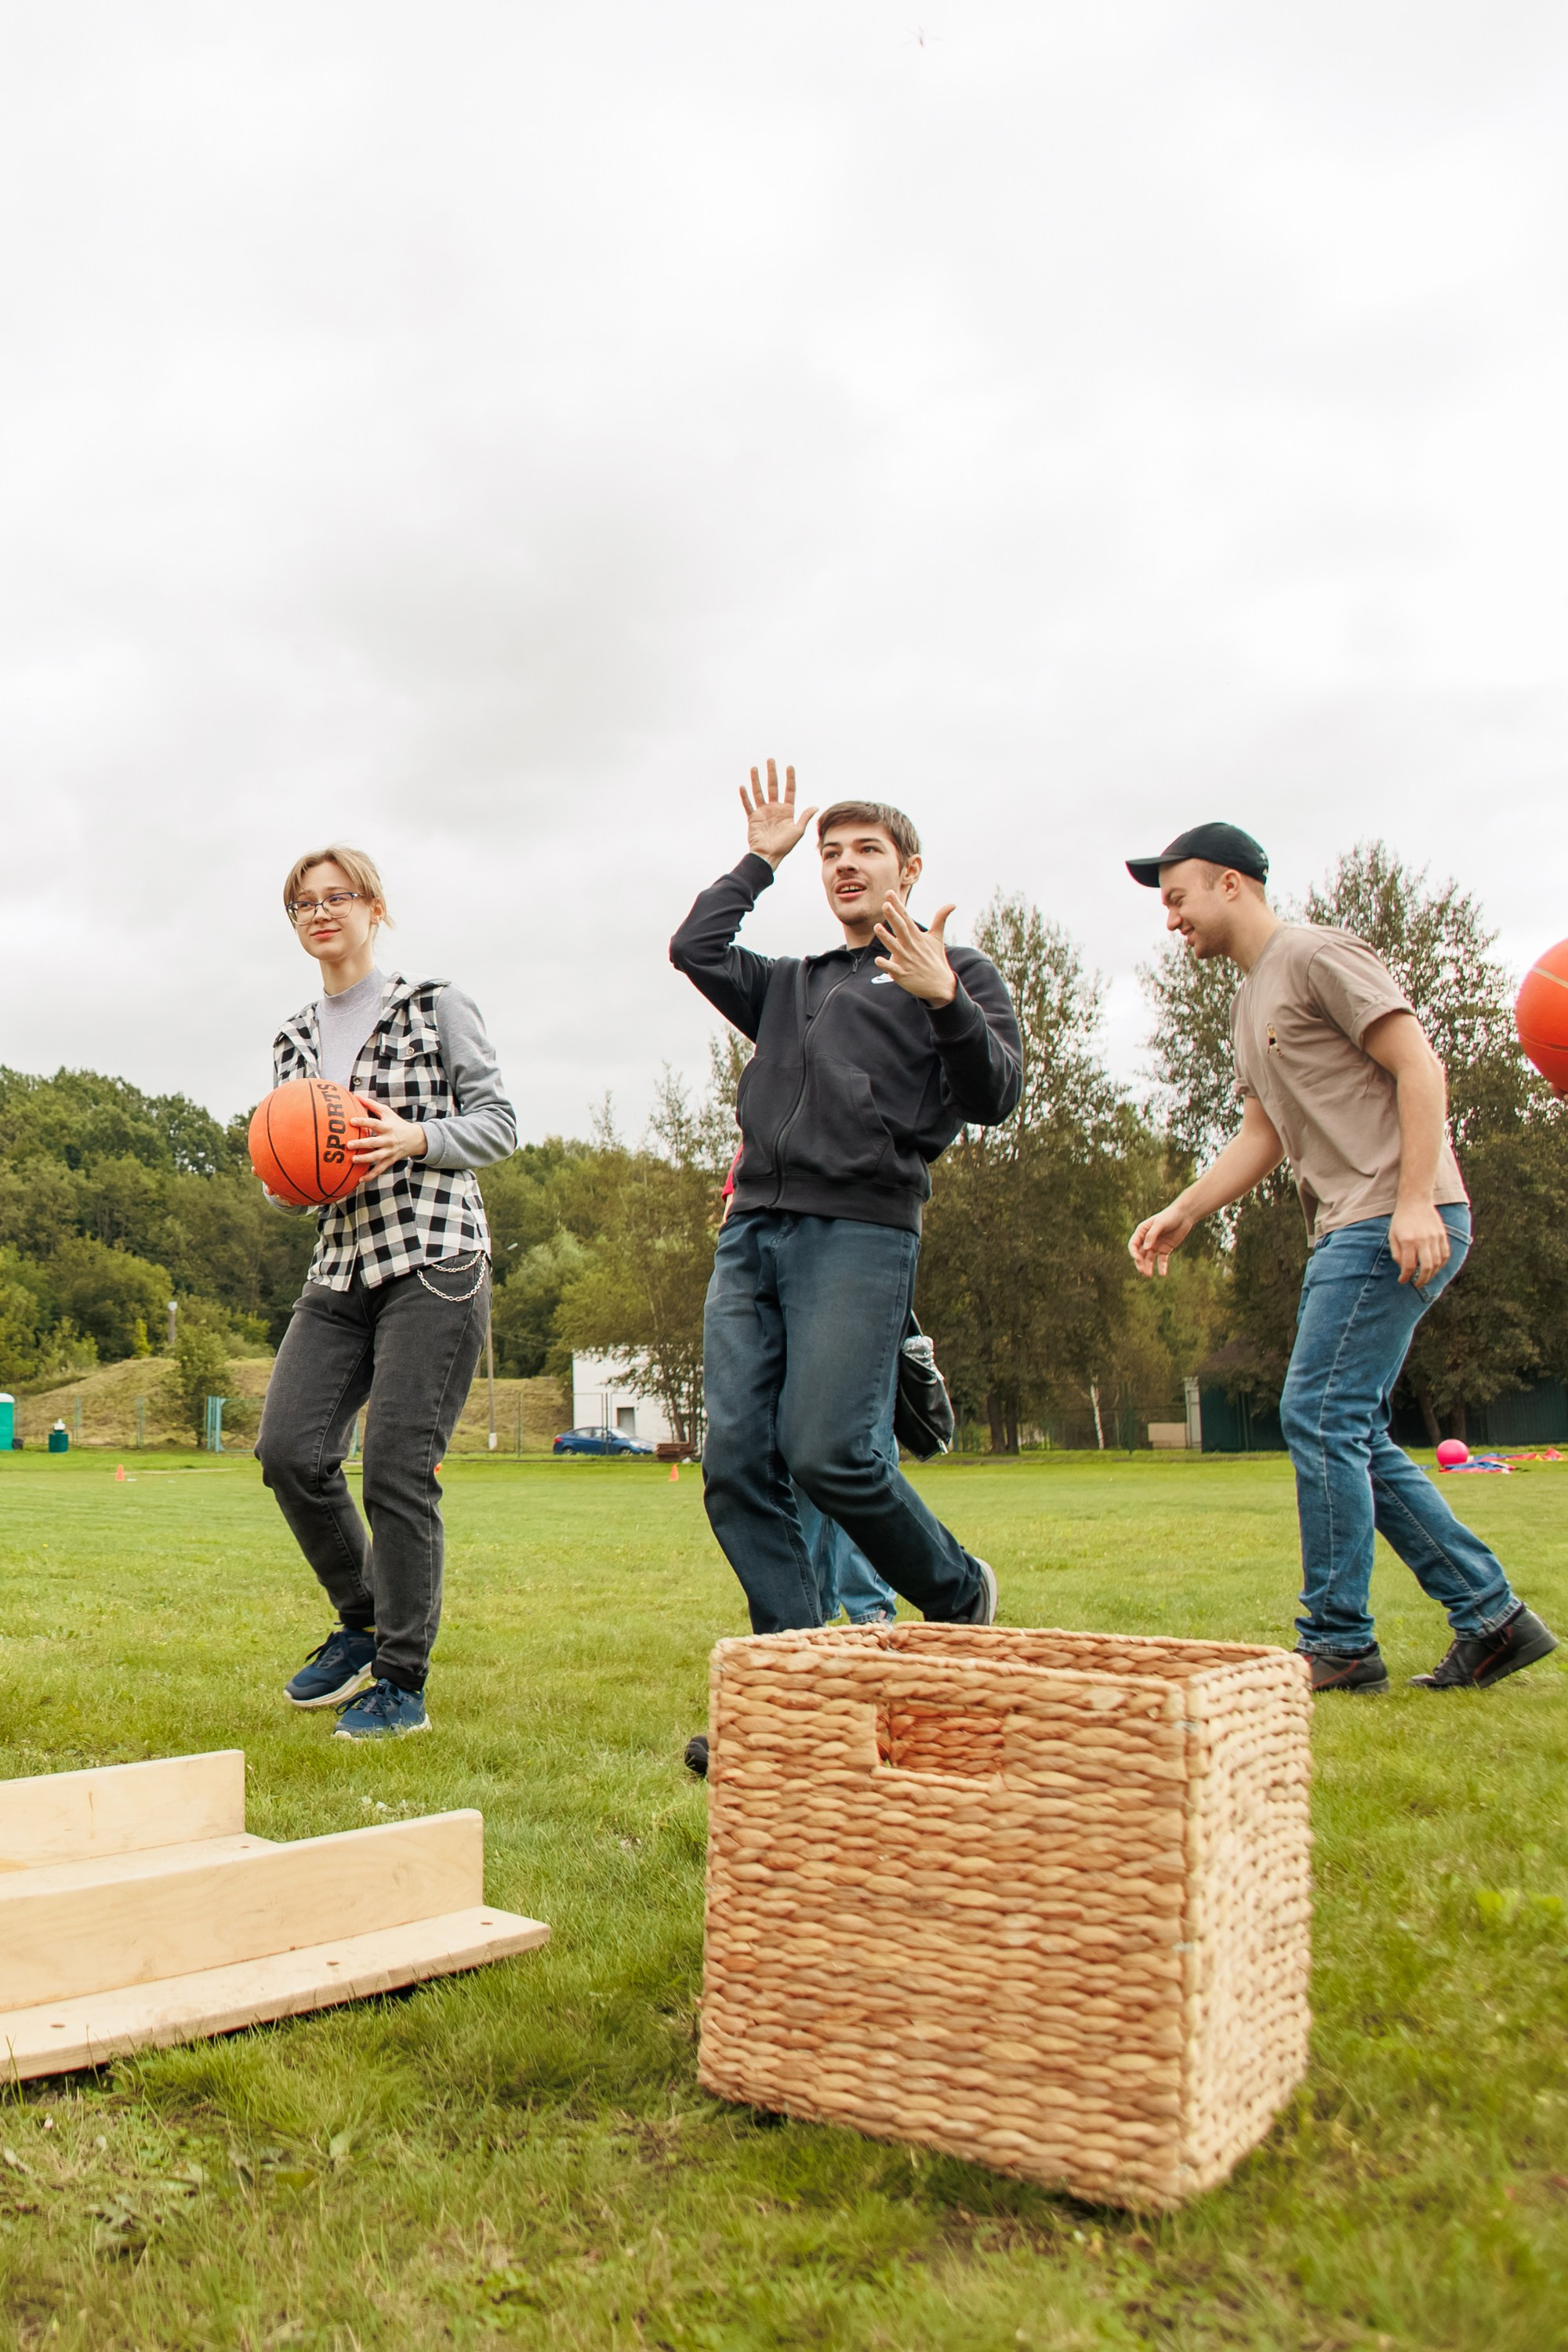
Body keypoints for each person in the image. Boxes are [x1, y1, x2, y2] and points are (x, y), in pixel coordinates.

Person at [1126, 820, 1556, 1694]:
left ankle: (1339, 1641)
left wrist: (1413, 1201)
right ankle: (1492, 1620)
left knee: (1319, 1417)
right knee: (1345, 1427)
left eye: (1177, 899)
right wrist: (1183, 1211)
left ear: (1231, 884)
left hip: (1390, 1215)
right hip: (1350, 1224)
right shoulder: (1247, 1002)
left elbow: (1419, 1067)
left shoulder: (1317, 955)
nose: (1171, 920)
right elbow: (1262, 1136)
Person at [670, 760, 1022, 1758]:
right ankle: (795, 1690)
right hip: (751, 1231)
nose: (843, 865)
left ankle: (957, 1589)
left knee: (829, 1452)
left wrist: (943, 999)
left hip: (860, 1229)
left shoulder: (954, 972)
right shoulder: (791, 984)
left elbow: (997, 1094)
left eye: (866, 849)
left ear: (909, 870)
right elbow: (695, 947)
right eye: (830, 853)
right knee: (736, 1465)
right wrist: (759, 860)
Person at [255, 844, 517, 1740]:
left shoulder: (434, 1005)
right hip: (340, 1266)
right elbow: (300, 1171)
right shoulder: (293, 1039)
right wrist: (284, 1179)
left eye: (338, 897)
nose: (321, 913)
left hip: (434, 1257)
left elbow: (498, 1124)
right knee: (288, 1451)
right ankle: (363, 1622)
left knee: (398, 1466)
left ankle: (401, 1684)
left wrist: (416, 1138)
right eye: (304, 904)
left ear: (374, 908)